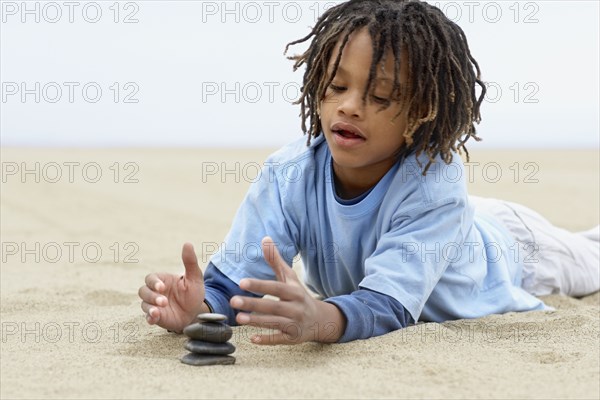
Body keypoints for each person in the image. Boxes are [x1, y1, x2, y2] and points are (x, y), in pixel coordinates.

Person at [138, 0, 599, 345]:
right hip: (447, 220)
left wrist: (318, 320)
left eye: (380, 97)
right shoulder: (288, 175)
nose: (350, 105)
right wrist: (197, 307)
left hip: (512, 249)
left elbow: (386, 306)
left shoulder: (436, 184)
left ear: (423, 113)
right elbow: (231, 285)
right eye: (337, 85)